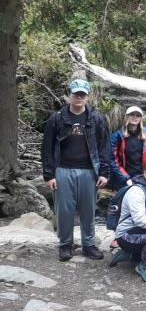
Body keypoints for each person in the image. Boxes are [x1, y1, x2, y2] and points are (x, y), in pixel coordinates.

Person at [42, 78, 111, 261]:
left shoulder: (96, 119)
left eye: (82, 94)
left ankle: (88, 245)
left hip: (89, 171)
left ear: (87, 97)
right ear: (69, 95)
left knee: (88, 210)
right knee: (65, 210)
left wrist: (104, 173)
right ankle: (65, 245)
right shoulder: (57, 118)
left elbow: (104, 147)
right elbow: (47, 148)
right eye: (76, 94)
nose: (79, 97)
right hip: (63, 169)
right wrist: (49, 175)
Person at [110, 106, 146, 190]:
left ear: (141, 118)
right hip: (124, 178)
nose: (135, 117)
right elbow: (113, 160)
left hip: (143, 178)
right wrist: (125, 178)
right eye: (132, 114)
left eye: (138, 115)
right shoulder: (117, 136)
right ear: (127, 116)